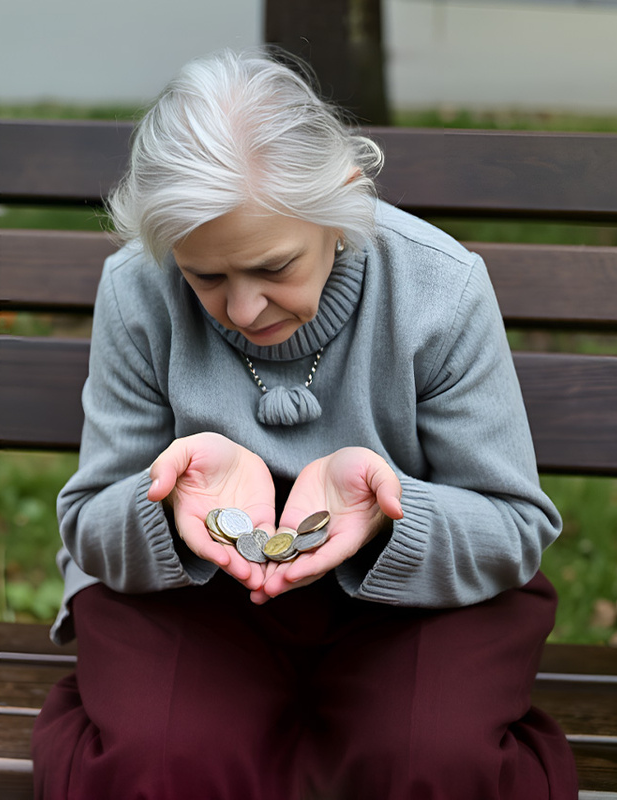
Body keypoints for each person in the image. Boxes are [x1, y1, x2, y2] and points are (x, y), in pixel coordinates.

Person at [31, 48, 578, 800]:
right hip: (197, 594)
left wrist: (390, 515)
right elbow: (90, 521)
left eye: (275, 267)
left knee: (427, 760)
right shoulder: (137, 287)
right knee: (159, 763)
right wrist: (167, 506)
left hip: (412, 598)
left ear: (342, 204)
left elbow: (513, 528)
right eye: (206, 277)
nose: (244, 308)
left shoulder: (440, 288)